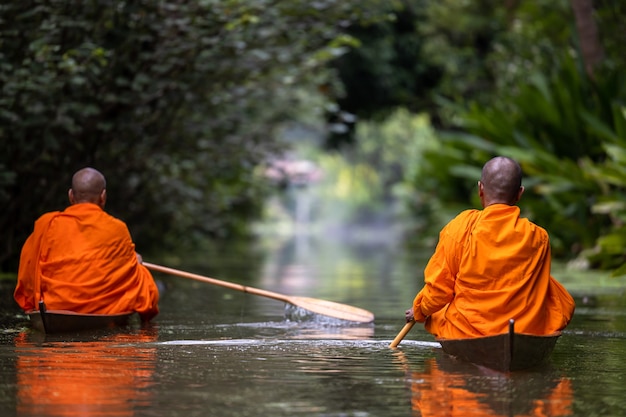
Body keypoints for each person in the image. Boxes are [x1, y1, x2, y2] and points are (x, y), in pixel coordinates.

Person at [405, 156, 575, 339]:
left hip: (466, 332)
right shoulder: (538, 237)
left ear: (480, 189)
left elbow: (439, 290)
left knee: (439, 312)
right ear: (519, 193)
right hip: (523, 330)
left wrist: (420, 310)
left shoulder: (460, 228)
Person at [14, 167, 159, 321]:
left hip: (54, 307)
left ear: (71, 196)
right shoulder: (117, 229)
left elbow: (28, 273)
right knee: (140, 274)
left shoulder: (48, 224)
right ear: (103, 196)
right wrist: (135, 265)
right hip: (104, 310)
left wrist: (130, 263)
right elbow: (131, 282)